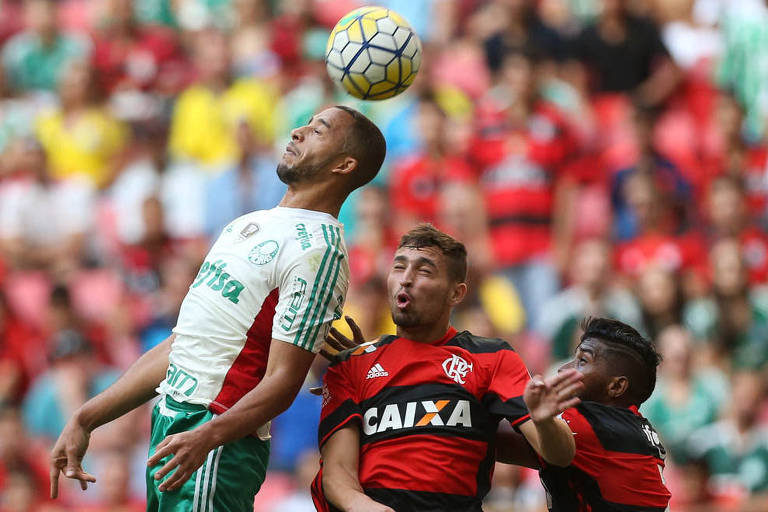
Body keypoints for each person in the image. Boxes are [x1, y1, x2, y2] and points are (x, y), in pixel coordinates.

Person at [48, 105, 387, 511]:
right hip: (173, 427)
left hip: (214, 436)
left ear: (344, 164)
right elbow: (182, 345)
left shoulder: (320, 249)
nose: (297, 131)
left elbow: (283, 380)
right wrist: (86, 418)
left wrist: (208, 437)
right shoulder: (247, 224)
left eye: (318, 131)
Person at [313, 224, 583, 512]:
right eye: (399, 267)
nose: (406, 279)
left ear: (456, 293)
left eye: (424, 271)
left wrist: (544, 421)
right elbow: (337, 474)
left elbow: (561, 455)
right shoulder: (352, 364)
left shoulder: (492, 357)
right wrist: (364, 507)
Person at [496, 317, 672, 511]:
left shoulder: (592, 424)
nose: (563, 368)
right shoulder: (633, 426)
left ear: (616, 386)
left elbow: (492, 440)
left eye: (582, 361)